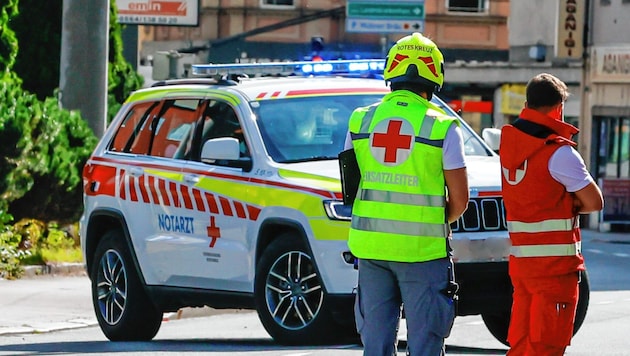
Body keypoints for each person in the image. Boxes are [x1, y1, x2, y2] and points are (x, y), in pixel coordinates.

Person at [342, 32, 469, 355]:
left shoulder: (361, 121)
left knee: (376, 344)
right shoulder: (442, 127)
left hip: (371, 250)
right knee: (426, 344)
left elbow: (351, 188)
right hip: (422, 253)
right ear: (436, 75)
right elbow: (460, 199)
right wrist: (434, 222)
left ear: (391, 71)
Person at [499, 73, 604, 355]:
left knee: (522, 345)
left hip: (523, 268)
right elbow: (595, 202)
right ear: (558, 107)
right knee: (547, 346)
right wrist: (569, 204)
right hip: (555, 271)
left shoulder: (509, 148)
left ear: (527, 104)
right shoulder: (558, 153)